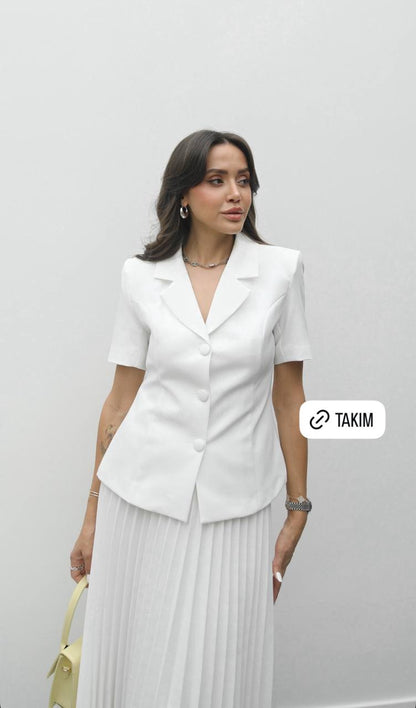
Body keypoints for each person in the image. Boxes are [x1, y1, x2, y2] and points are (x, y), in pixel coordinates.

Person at [71, 128, 313, 708]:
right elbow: (120, 401)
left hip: (234, 505)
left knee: (215, 668)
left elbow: (290, 398)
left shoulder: (280, 271)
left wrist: (298, 507)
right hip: (140, 498)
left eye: (244, 181)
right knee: (136, 657)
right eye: (216, 180)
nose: (235, 194)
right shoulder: (140, 276)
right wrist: (92, 514)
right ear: (183, 194)